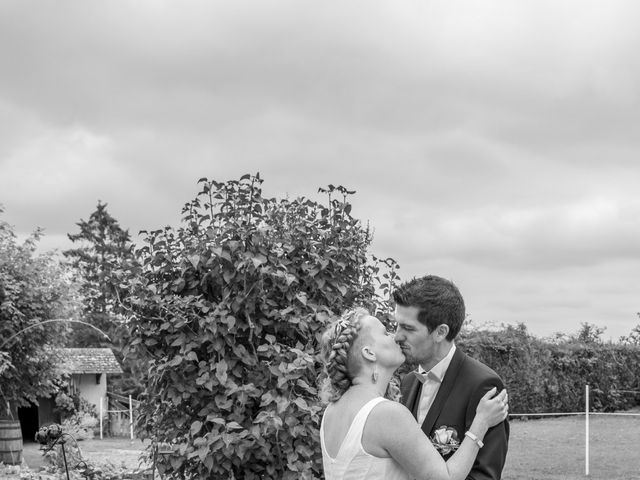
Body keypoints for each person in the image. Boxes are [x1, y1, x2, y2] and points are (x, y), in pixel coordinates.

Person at [319, 307, 509, 480]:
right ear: (369, 353)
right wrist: (480, 424)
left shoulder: (332, 411)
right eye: (385, 333)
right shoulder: (387, 414)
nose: (396, 337)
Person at [393, 275, 509, 480]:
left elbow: (485, 476)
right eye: (397, 325)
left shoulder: (483, 385)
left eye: (408, 328)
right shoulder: (408, 382)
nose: (397, 336)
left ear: (440, 332)